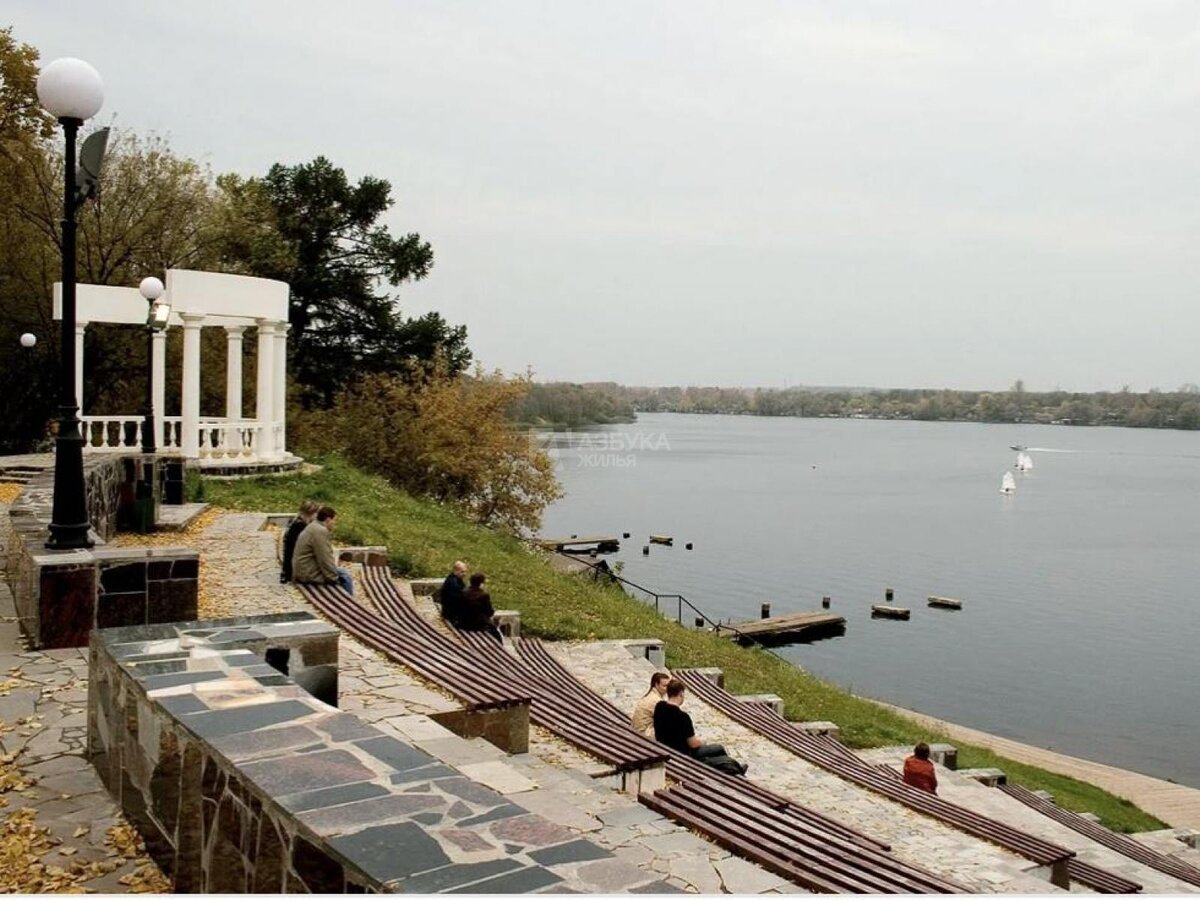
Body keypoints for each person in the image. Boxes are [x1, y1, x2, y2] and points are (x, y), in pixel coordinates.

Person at [653, 679, 747, 775]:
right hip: (683, 754)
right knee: (718, 748)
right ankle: (733, 769)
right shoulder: (682, 717)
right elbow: (693, 743)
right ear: (681, 693)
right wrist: (703, 742)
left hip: (664, 747)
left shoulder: (659, 707)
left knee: (713, 751)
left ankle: (735, 767)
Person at [292, 506, 354, 595]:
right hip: (307, 574)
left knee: (340, 572)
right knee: (345, 576)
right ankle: (349, 601)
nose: (334, 524)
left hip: (303, 570)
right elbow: (325, 558)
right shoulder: (320, 531)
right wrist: (333, 579)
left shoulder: (313, 526)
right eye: (334, 520)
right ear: (328, 519)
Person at [280, 500, 320, 583]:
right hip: (294, 570)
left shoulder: (294, 522)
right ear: (311, 514)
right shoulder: (301, 526)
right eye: (316, 514)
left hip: (287, 568)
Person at [459, 572, 502, 641]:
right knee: (496, 634)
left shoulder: (463, 592)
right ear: (481, 583)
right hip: (478, 625)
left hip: (464, 623)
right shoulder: (483, 595)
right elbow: (489, 612)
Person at [631, 672, 670, 737]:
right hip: (644, 734)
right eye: (664, 686)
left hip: (637, 731)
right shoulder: (656, 701)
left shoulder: (650, 696)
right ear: (656, 685)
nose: (667, 689)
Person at [439, 561, 468, 625]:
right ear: (456, 571)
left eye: (465, 571)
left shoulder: (456, 579)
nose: (465, 574)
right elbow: (459, 597)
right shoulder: (453, 583)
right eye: (462, 572)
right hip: (451, 613)